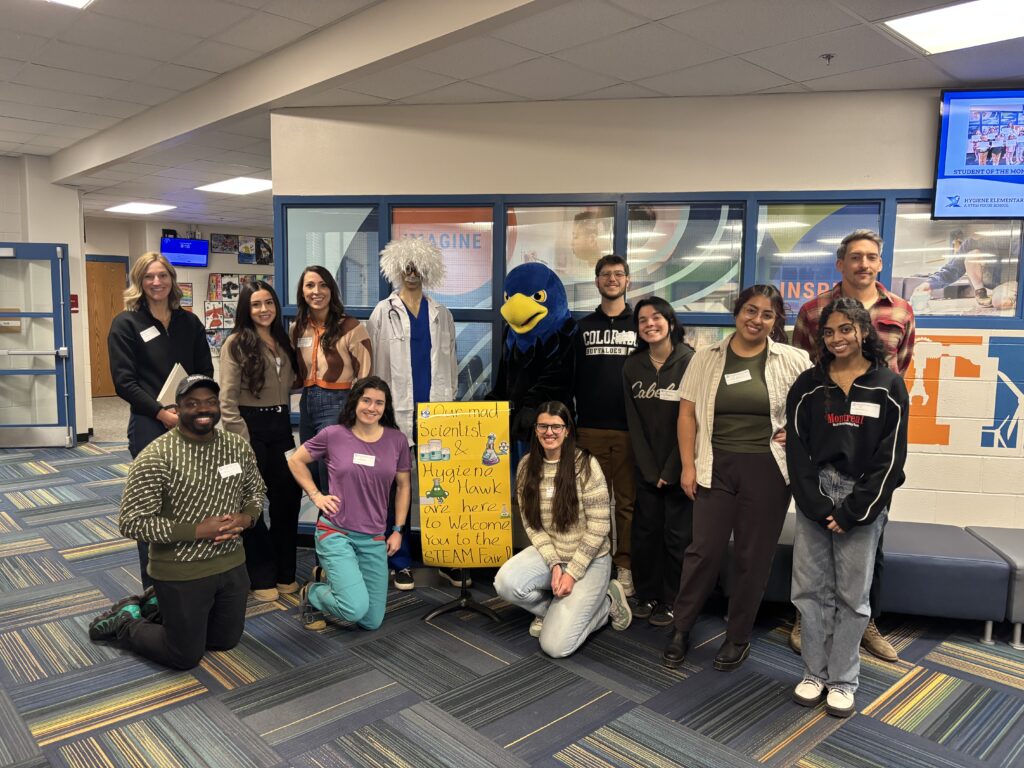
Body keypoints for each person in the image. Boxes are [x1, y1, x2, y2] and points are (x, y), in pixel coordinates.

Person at [662, 285, 810, 672]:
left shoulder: (794, 359)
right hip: (715, 464)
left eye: (766, 314)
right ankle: (681, 627)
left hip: (768, 470)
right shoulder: (706, 358)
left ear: (776, 321)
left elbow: (816, 408)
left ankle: (737, 636)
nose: (756, 319)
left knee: (752, 557)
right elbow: (686, 415)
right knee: (703, 552)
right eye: (750, 310)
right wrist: (688, 466)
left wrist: (794, 433)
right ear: (737, 312)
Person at [791, 229, 914, 662]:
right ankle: (810, 624)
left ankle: (866, 624)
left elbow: (903, 366)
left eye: (872, 257)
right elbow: (803, 370)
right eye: (855, 257)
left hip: (873, 453)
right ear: (840, 263)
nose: (864, 264)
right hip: (827, 440)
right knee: (815, 553)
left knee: (868, 543)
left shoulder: (901, 310)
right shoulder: (812, 311)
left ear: (880, 263)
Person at [87, 375, 265, 670]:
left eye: (210, 402)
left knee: (224, 641)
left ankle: (158, 605)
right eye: (192, 403)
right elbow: (132, 523)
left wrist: (247, 518)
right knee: (183, 655)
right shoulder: (156, 457)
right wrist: (197, 531)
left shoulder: (236, 446)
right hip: (182, 569)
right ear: (177, 408)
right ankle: (126, 621)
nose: (203, 409)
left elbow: (256, 490)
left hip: (231, 564)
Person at [787, 298, 909, 718]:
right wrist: (817, 503)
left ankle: (842, 679)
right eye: (829, 331)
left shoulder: (888, 384)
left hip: (863, 499)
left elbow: (891, 459)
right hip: (815, 495)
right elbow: (797, 451)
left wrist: (855, 510)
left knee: (852, 596)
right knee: (809, 591)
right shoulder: (808, 385)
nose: (837, 338)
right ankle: (814, 673)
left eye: (846, 329)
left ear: (862, 331)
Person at [107, 252, 213, 589]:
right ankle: (155, 588)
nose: (157, 282)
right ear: (139, 282)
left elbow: (204, 372)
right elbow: (125, 382)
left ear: (172, 280)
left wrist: (194, 410)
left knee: (191, 500)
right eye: (149, 277)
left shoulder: (189, 322)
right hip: (150, 423)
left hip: (190, 420)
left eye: (162, 276)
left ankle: (188, 578)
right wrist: (160, 412)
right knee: (153, 504)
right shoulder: (126, 324)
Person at [494, 401, 632, 658]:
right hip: (552, 555)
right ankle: (551, 612)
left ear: (567, 430)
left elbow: (600, 527)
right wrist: (555, 565)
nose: (549, 432)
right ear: (535, 430)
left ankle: (608, 601)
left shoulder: (586, 465)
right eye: (543, 426)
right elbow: (532, 526)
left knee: (555, 647)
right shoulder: (526, 467)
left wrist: (572, 573)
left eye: (556, 426)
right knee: (505, 583)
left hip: (591, 560)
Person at [367, 237, 458, 591]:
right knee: (395, 487)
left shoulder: (442, 314)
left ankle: (444, 556)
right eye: (406, 267)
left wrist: (449, 407)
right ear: (396, 269)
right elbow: (373, 368)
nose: (412, 274)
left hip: (435, 414)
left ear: (428, 269)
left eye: (418, 267)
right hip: (395, 416)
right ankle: (400, 559)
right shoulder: (382, 312)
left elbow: (449, 365)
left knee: (439, 489)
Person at [287, 376, 411, 631]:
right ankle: (312, 593)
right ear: (355, 401)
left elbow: (403, 486)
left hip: (374, 536)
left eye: (379, 402)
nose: (371, 407)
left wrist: (397, 530)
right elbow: (295, 460)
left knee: (371, 621)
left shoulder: (396, 440)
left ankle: (332, 579)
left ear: (385, 407)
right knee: (353, 608)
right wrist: (315, 495)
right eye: (366, 400)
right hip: (336, 531)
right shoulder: (333, 435)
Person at [219, 282, 302, 603]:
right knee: (252, 506)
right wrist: (244, 444)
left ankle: (286, 573)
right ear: (245, 309)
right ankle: (262, 574)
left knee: (287, 500)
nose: (264, 309)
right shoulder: (236, 343)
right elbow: (226, 401)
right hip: (249, 429)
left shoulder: (282, 339)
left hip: (280, 428)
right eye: (256, 304)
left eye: (269, 302)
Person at [622, 297, 694, 626]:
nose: (650, 324)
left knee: (677, 536)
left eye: (656, 317)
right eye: (642, 320)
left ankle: (671, 600)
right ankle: (647, 594)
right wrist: (650, 470)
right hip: (646, 468)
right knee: (645, 533)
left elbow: (694, 420)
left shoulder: (691, 361)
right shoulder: (632, 366)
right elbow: (633, 422)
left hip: (680, 469)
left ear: (670, 320)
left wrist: (671, 469)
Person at [574, 254, 638, 595]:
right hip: (590, 429)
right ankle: (593, 562)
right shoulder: (581, 327)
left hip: (630, 430)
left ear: (628, 281)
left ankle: (624, 566)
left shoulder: (639, 325)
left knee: (627, 503)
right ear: (597, 281)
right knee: (590, 503)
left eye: (618, 274)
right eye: (605, 274)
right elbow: (571, 377)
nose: (612, 279)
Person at [291, 265, 373, 488]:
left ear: (331, 290)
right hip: (307, 403)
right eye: (309, 285)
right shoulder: (297, 328)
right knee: (312, 471)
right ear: (302, 292)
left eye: (323, 285)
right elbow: (296, 374)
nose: (316, 291)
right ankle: (325, 521)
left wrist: (360, 411)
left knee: (332, 473)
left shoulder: (350, 326)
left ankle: (332, 522)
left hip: (339, 402)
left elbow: (365, 376)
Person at [912, 236, 1016, 310]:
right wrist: (929, 283)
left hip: (1012, 282)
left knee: (1000, 302)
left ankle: (1007, 297)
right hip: (990, 284)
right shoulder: (970, 243)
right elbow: (952, 269)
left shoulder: (1013, 238)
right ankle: (981, 293)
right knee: (972, 255)